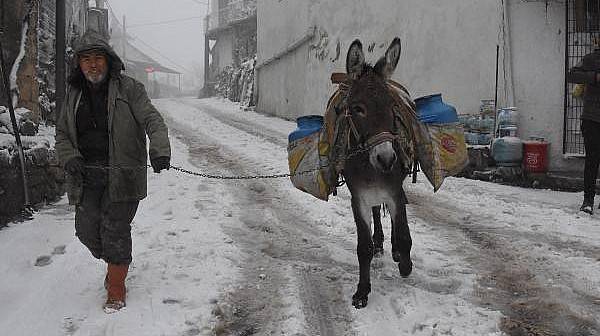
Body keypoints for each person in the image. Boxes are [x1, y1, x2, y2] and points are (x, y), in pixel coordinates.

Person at [55, 30, 171, 313]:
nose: (92, 65)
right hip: (86, 175)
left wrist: (160, 150)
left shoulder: (130, 89)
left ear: (108, 61)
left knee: (116, 230)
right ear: (79, 65)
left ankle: (116, 288)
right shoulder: (73, 94)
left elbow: (153, 120)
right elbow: (62, 134)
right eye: (86, 60)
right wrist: (69, 157)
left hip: (123, 173)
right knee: (86, 231)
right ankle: (114, 263)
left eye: (97, 58)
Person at [568, 41, 600, 215]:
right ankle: (588, 201)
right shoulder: (591, 59)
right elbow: (572, 75)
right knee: (592, 160)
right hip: (592, 118)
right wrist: (594, 77)